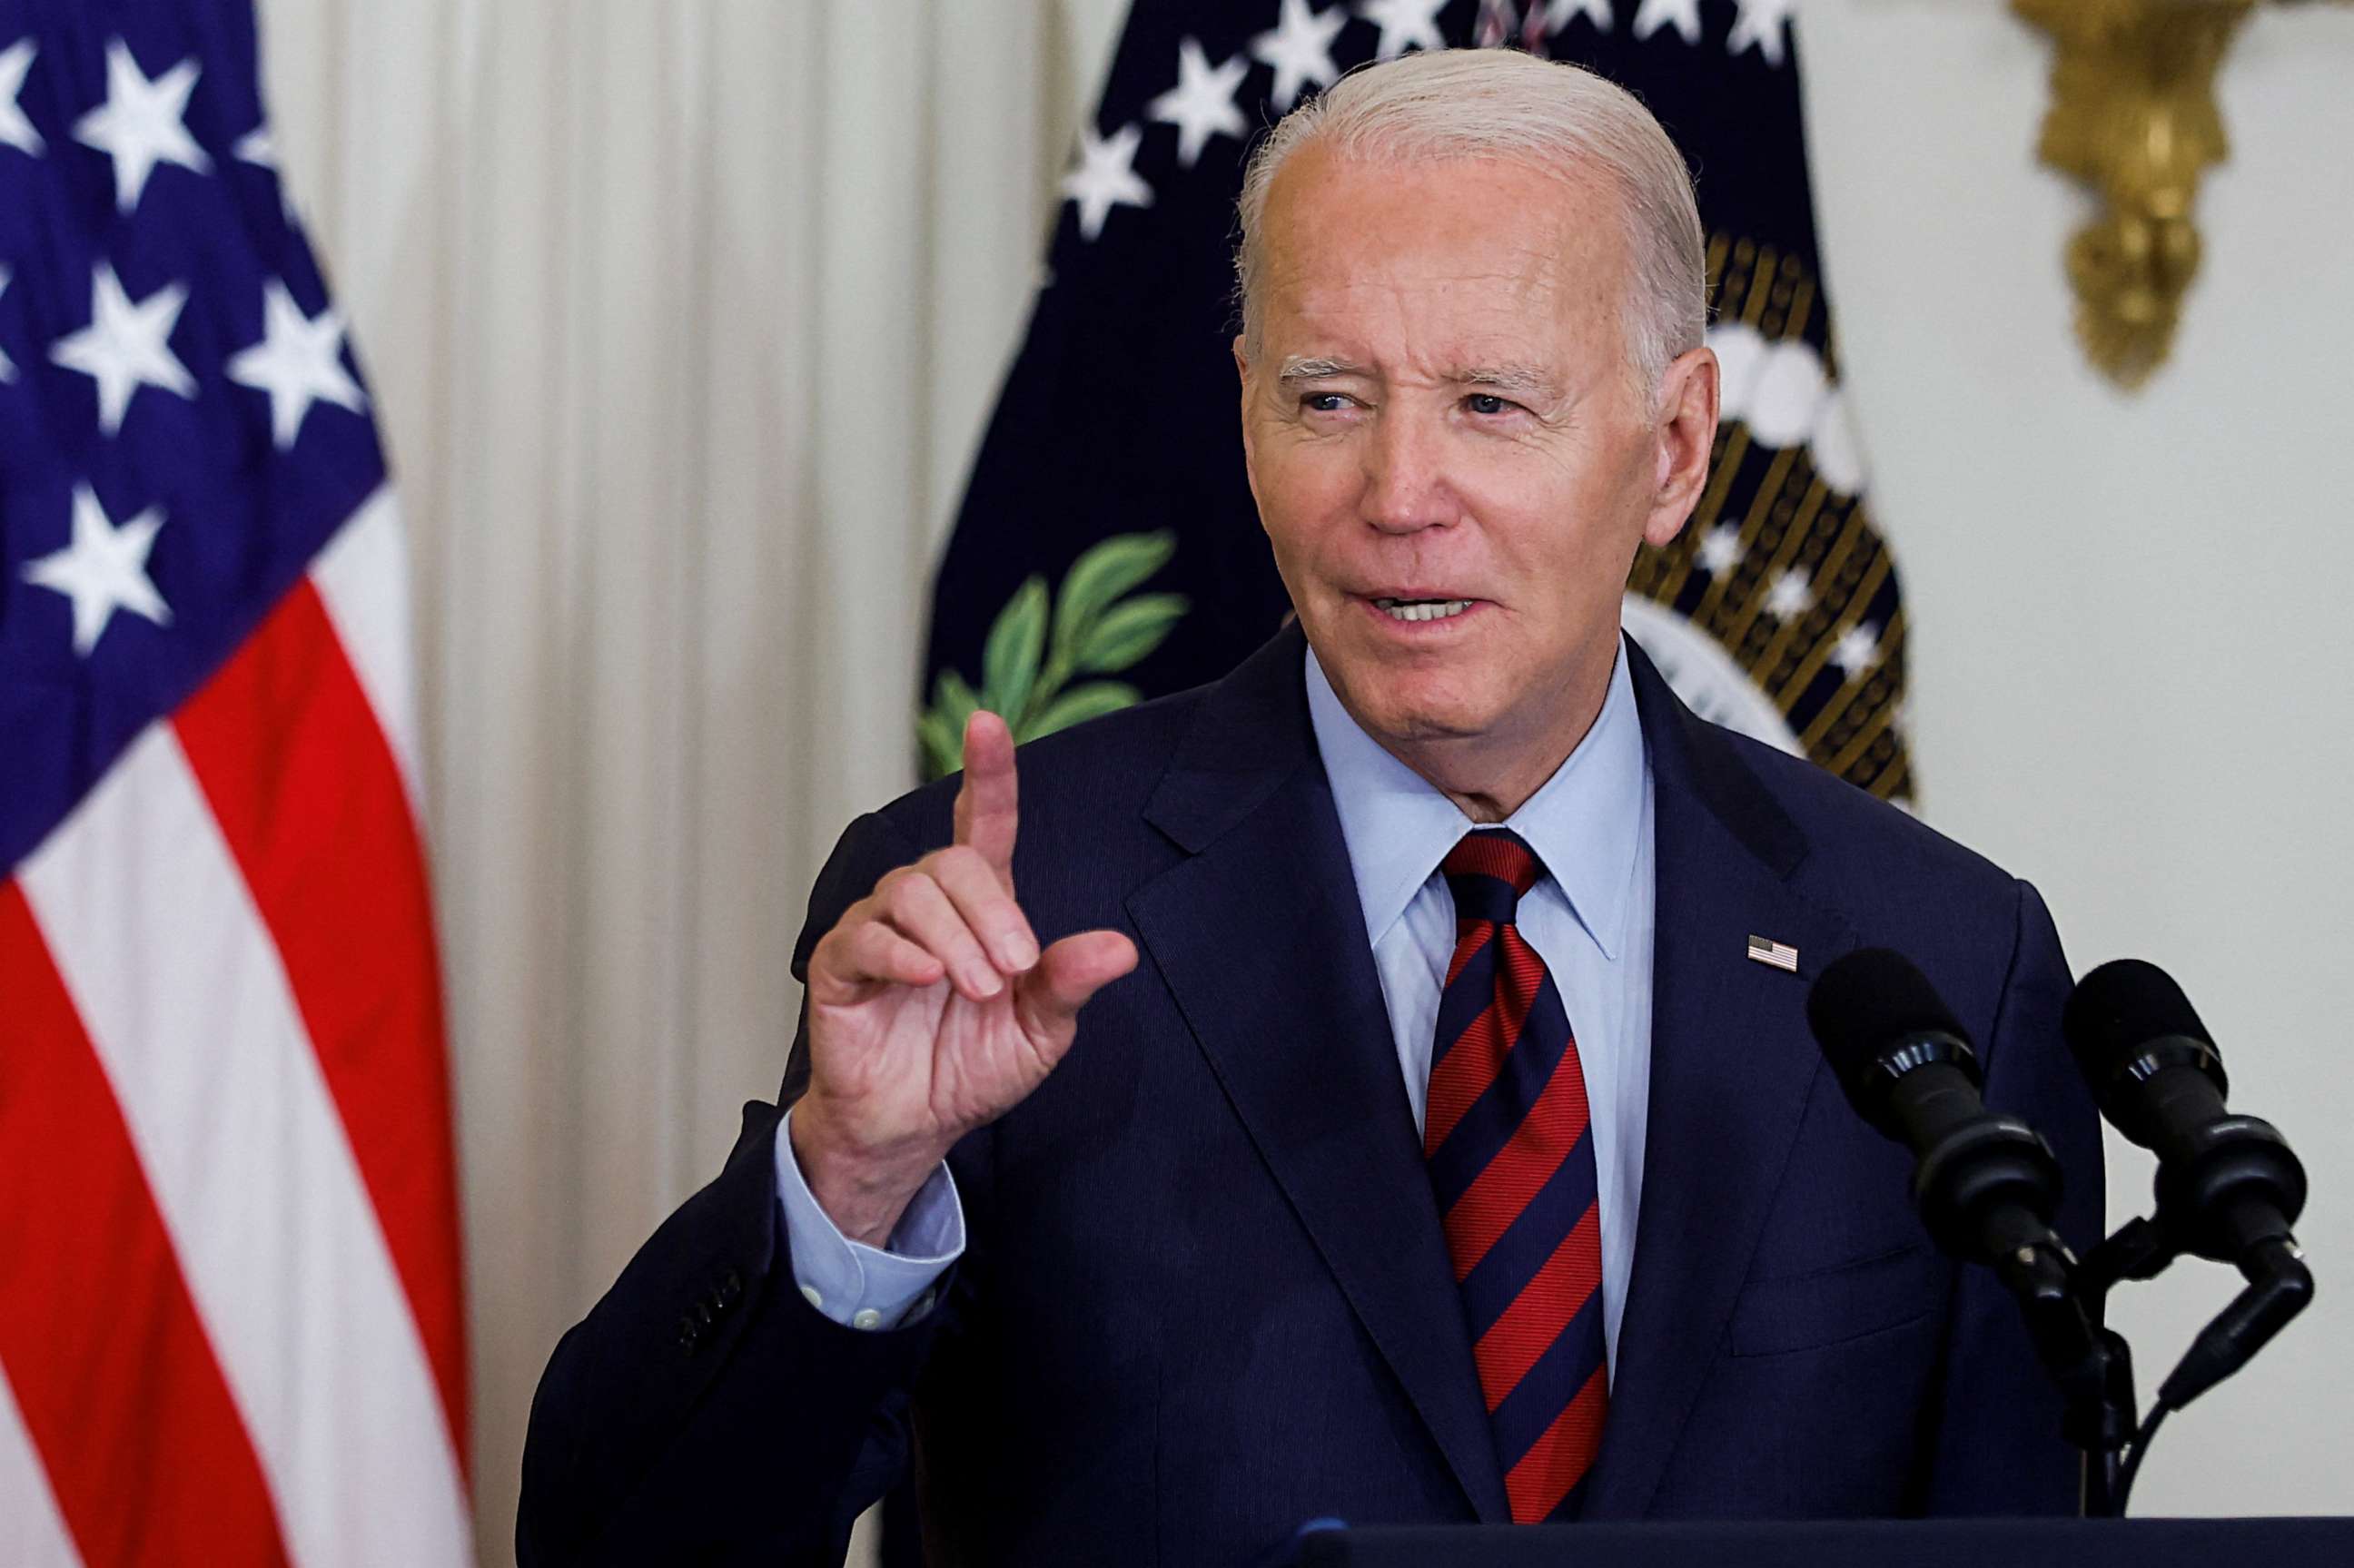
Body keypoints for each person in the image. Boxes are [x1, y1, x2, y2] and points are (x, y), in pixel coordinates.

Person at [518, 48, 2102, 1566]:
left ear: (1675, 447)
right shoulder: (1005, 912)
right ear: (1247, 409)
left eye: (1491, 403)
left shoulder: (1945, 961)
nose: (1399, 493)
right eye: (1329, 398)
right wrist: (847, 1187)